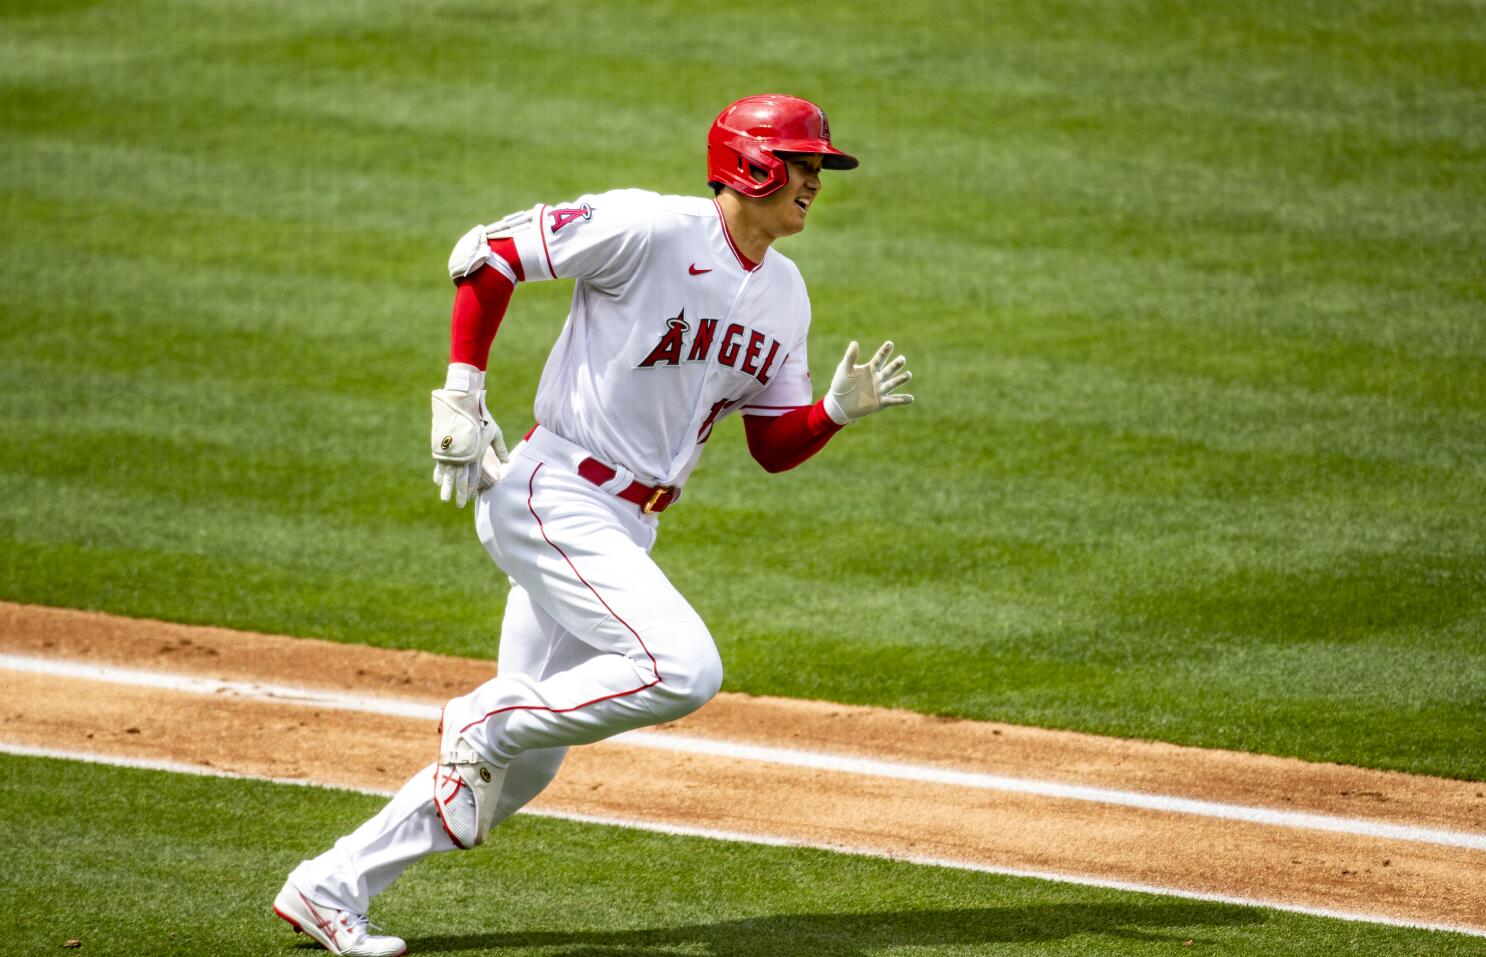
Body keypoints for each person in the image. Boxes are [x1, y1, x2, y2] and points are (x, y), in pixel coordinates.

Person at [272, 94, 914, 956]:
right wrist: (462, 390)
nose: (814, 182)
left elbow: (771, 444)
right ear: (752, 165)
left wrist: (832, 411)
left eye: (817, 168)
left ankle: (327, 885)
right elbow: (488, 253)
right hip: (555, 491)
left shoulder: (786, 294)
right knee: (682, 668)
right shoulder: (649, 228)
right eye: (802, 164)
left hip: (629, 523)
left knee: (520, 772)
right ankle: (483, 722)